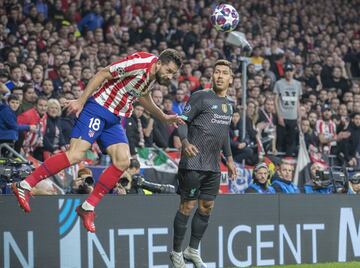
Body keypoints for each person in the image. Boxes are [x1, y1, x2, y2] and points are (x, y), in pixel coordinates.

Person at [12, 49, 184, 233]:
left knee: (123, 161)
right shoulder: (140, 63)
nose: (170, 75)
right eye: (169, 70)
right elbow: (104, 72)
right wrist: (80, 100)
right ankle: (25, 185)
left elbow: (142, 96)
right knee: (76, 155)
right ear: (159, 63)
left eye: (173, 73)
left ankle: (88, 207)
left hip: (114, 118)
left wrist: (164, 117)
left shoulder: (151, 77)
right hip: (98, 108)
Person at [169, 60, 237, 267]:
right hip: (193, 162)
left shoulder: (229, 106)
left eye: (224, 73)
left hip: (213, 165)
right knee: (187, 206)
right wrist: (185, 142)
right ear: (212, 76)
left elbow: (224, 133)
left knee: (207, 206)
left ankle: (192, 250)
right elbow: (182, 122)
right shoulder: (200, 97)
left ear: (230, 79)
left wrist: (230, 159)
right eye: (217, 72)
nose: (219, 76)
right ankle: (176, 252)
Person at [274, 62, 302, 156]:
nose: (288, 73)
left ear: (293, 72)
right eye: (286, 71)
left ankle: (288, 160)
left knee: (291, 141)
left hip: (293, 116)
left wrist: (299, 115)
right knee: (280, 140)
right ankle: (278, 162)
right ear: (284, 72)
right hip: (283, 116)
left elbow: (297, 101)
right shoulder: (279, 83)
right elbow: (276, 101)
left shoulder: (298, 84)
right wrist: (279, 116)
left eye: (290, 71)